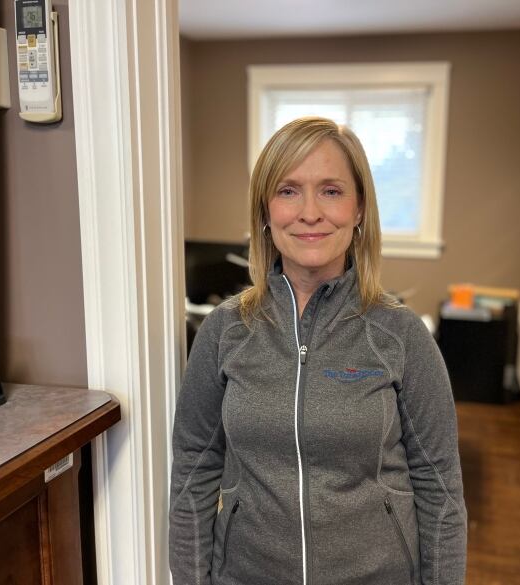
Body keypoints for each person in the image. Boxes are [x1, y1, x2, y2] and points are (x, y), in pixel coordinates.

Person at [169, 117, 467, 585]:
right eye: (288, 190)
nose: (310, 212)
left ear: (360, 208)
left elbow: (441, 488)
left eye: (331, 190)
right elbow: (193, 467)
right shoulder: (225, 331)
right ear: (265, 212)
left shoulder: (400, 335)